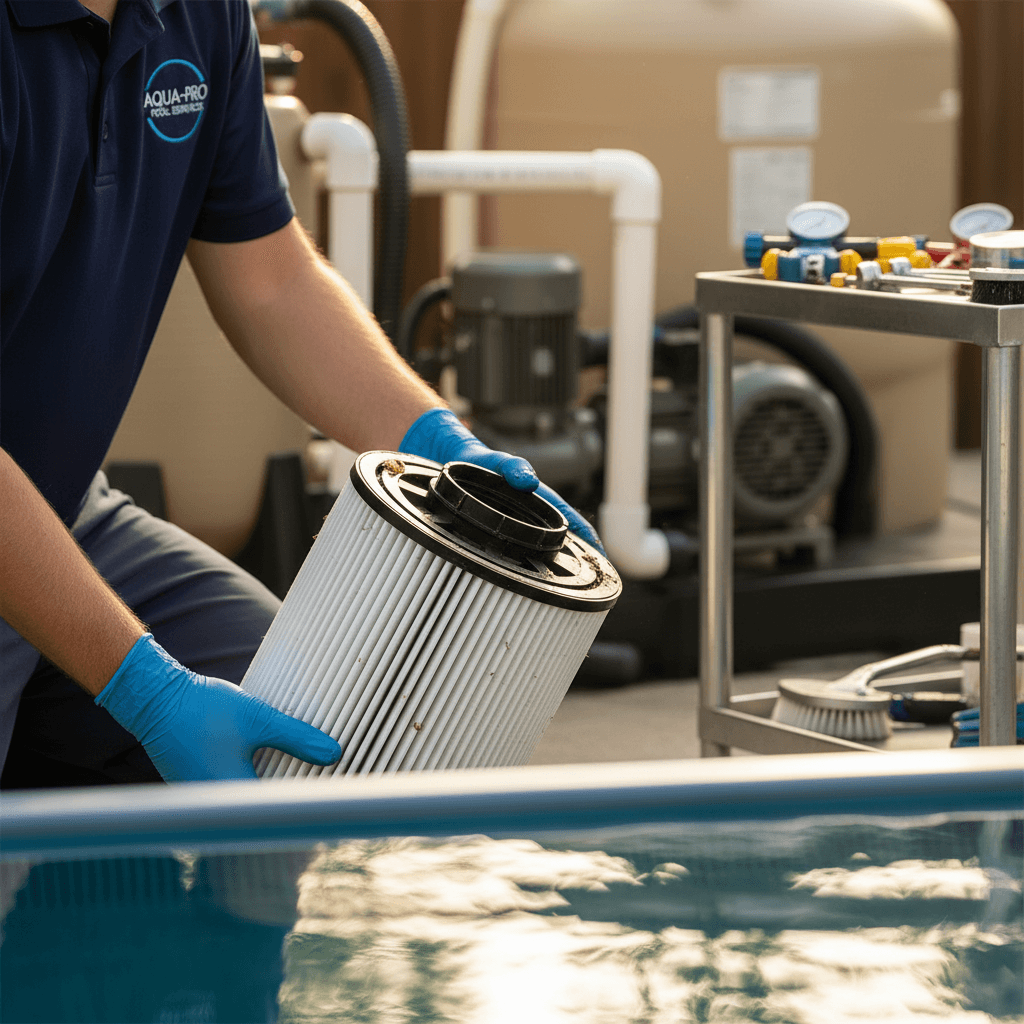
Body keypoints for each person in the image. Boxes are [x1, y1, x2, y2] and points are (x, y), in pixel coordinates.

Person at [0, 0, 601, 789]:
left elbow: (273, 284)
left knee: (311, 734)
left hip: (68, 511)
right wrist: (145, 690)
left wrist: (438, 443)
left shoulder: (200, 13)